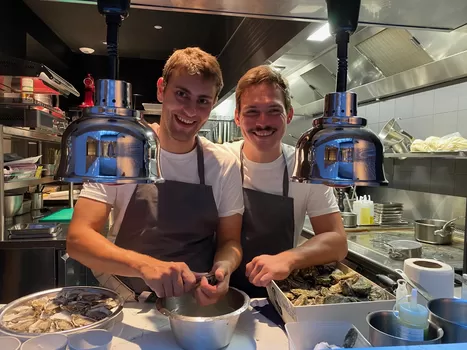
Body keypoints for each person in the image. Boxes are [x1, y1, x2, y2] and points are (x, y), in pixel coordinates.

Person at [67, 47, 244, 306]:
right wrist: (144, 266)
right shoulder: (120, 151)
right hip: (128, 301)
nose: (191, 111)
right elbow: (78, 239)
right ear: (162, 89)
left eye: (203, 100)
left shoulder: (223, 164)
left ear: (213, 103)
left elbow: (230, 241)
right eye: (182, 94)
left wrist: (224, 268)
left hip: (193, 304)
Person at [224, 65, 347, 297]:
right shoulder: (220, 160)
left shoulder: (306, 167)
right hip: (218, 295)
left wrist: (288, 258)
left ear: (289, 115)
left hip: (278, 298)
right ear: (237, 118)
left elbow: (338, 242)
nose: (263, 122)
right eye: (252, 112)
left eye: (273, 110)